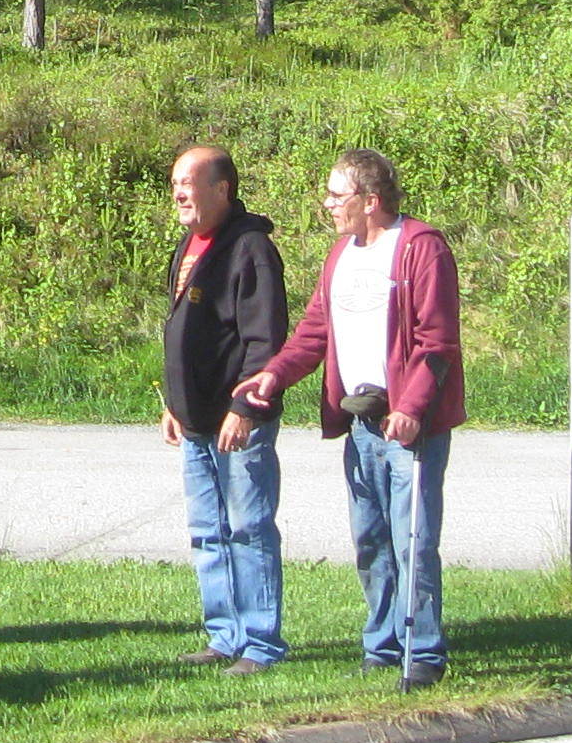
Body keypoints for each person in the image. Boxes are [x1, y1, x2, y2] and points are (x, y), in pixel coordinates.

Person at [233, 146, 463, 688]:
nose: (329, 205)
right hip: (361, 423)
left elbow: (437, 343)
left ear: (371, 200)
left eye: (338, 196)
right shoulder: (341, 255)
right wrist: (274, 375)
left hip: (408, 426)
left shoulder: (420, 248)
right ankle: (381, 644)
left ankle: (423, 652)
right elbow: (315, 331)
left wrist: (411, 408)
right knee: (371, 540)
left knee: (413, 540)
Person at [160, 145, 287, 672]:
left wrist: (244, 406)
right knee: (208, 533)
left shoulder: (250, 249)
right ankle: (223, 635)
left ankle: (260, 644)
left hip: (238, 421)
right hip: (194, 421)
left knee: (248, 529)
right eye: (175, 183)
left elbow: (264, 341)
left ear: (222, 189)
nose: (179, 193)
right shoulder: (189, 245)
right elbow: (182, 334)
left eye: (189, 182)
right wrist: (175, 404)